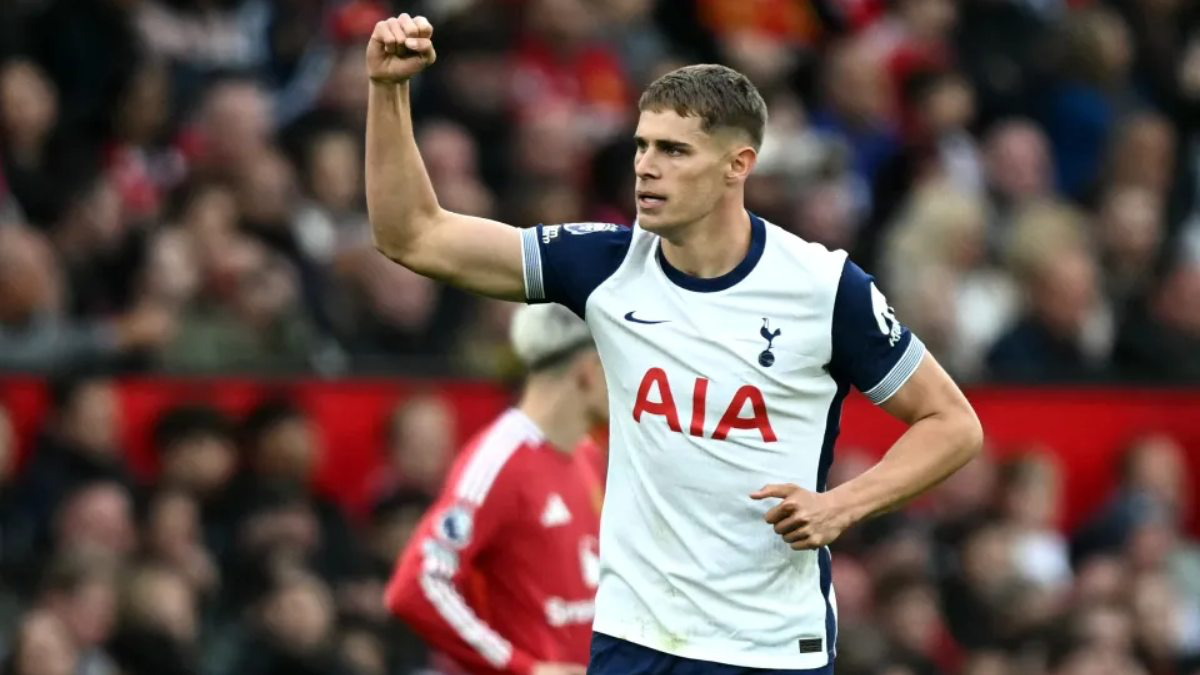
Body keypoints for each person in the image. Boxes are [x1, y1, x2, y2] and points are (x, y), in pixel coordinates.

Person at [364, 14, 982, 674]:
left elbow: (952, 424)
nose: (645, 168)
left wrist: (841, 505)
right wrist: (387, 89)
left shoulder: (825, 288)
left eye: (673, 151)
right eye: (641, 146)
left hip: (771, 647)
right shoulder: (606, 265)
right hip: (634, 639)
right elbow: (414, 235)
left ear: (737, 165)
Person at [383, 303, 608, 675]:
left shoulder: (586, 455)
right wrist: (524, 668)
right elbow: (417, 584)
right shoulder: (499, 460)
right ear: (587, 372)